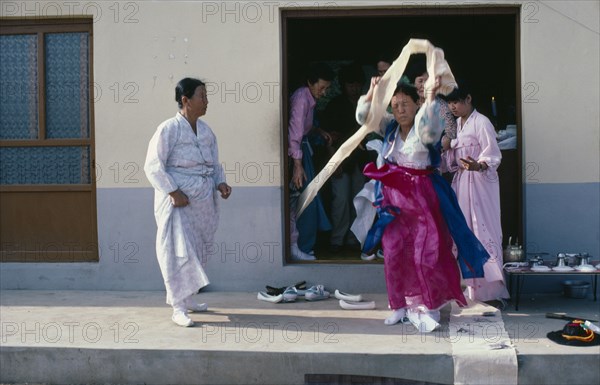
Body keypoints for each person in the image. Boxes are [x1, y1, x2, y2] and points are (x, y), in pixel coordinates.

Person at [355, 74, 489, 332]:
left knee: (425, 254)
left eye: (405, 103)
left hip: (423, 196)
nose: (400, 109)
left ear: (415, 104)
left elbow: (430, 128)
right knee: (394, 252)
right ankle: (399, 306)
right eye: (395, 105)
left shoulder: (426, 126)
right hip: (394, 199)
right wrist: (372, 94)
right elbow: (364, 118)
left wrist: (429, 97)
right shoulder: (390, 128)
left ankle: (429, 306)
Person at [144, 77, 232, 327]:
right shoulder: (168, 129)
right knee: (178, 252)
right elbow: (152, 165)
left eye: (206, 96)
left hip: (203, 203)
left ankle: (190, 298)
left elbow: (214, 163)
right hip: (178, 204)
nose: (206, 101)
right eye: (201, 96)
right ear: (186, 100)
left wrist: (220, 183)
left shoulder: (206, 131)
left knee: (198, 250)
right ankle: (178, 307)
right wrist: (173, 192)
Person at [442, 82, 510, 305]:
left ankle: (491, 291)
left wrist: (479, 165)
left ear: (468, 99)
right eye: (450, 102)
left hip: (480, 183)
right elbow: (451, 161)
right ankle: (470, 287)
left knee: (483, 230)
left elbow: (492, 155)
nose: (453, 106)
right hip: (462, 182)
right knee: (464, 231)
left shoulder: (482, 122)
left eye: (456, 101)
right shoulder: (457, 125)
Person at [288, 63, 334, 261]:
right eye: (321, 87)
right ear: (310, 83)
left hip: (303, 152)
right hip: (297, 155)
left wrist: (318, 131)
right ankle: (298, 247)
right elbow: (295, 133)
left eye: (326, 89)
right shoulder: (301, 98)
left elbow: (306, 128)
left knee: (310, 198)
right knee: (304, 200)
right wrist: (297, 166)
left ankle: (305, 246)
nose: (323, 93)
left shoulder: (309, 98)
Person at [322, 63, 368, 254]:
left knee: (359, 200)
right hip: (340, 160)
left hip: (360, 160)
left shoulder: (365, 105)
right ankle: (337, 239)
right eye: (350, 85)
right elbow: (327, 138)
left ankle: (354, 239)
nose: (354, 89)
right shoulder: (335, 106)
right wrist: (333, 162)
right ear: (343, 85)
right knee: (340, 200)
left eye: (357, 84)